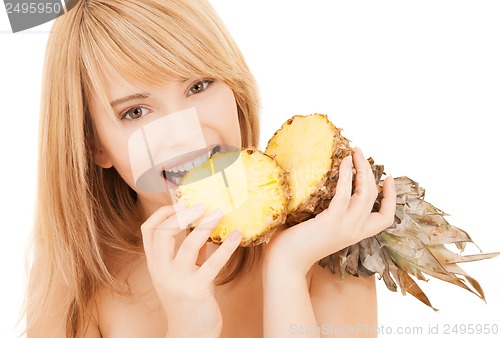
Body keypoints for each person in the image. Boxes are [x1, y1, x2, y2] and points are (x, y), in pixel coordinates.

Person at [25, 0, 396, 337]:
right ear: (93, 145)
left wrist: (286, 272)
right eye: (135, 112)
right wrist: (188, 327)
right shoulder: (77, 283)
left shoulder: (327, 244)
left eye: (198, 85)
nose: (186, 136)